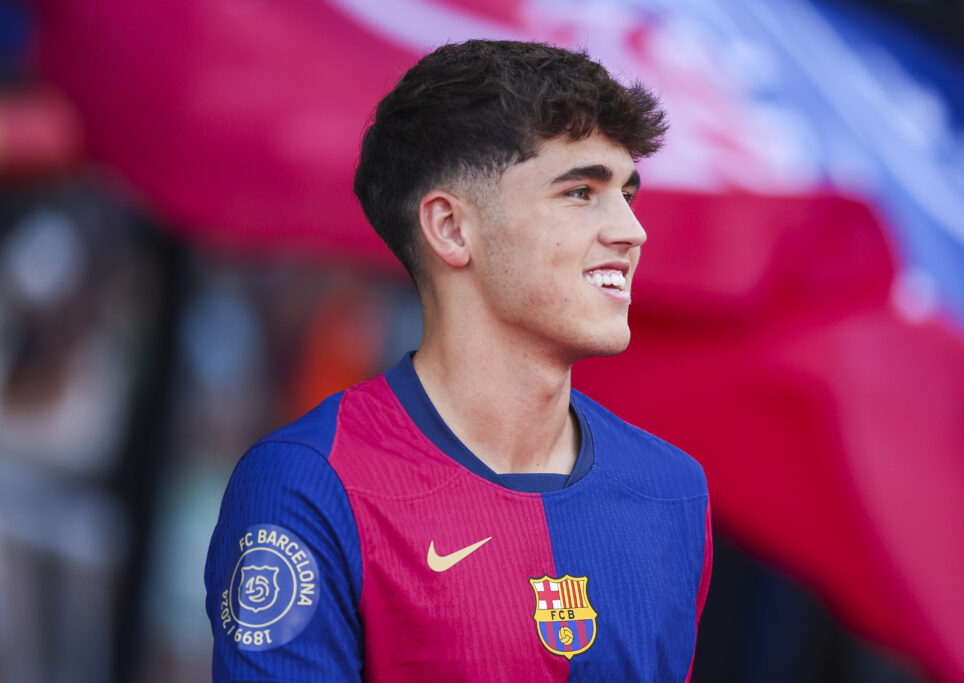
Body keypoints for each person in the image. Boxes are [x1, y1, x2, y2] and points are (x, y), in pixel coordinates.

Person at [205, 39, 711, 681]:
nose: (632, 231)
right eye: (581, 192)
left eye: (628, 194)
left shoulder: (672, 491)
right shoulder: (308, 483)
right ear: (449, 228)